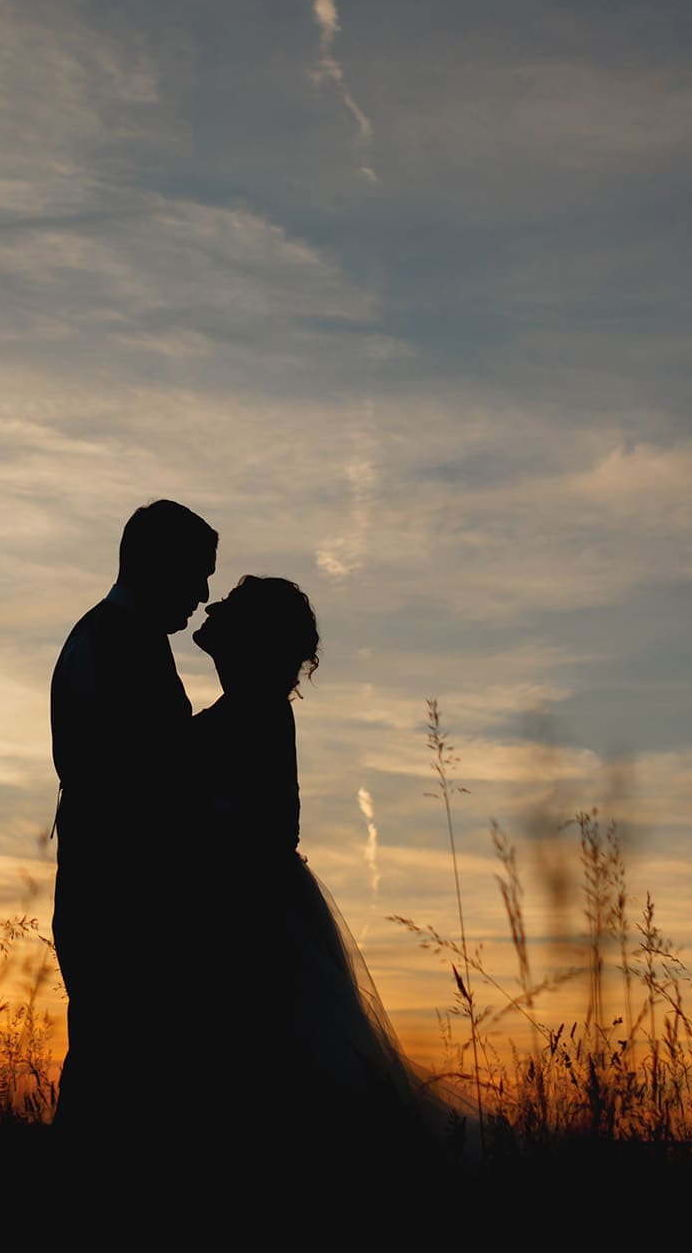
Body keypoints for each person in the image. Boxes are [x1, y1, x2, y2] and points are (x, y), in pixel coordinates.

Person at [191, 575, 453, 1169]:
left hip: (253, 905)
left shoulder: (259, 712)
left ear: (251, 642)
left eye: (229, 613)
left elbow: (276, 824)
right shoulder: (247, 708)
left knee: (270, 1049)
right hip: (246, 896)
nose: (211, 609)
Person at [50, 498, 217, 1134]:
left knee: (119, 1074)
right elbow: (130, 778)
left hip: (113, 891)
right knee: (114, 1077)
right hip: (118, 896)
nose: (203, 595)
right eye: (196, 573)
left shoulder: (121, 639)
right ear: (157, 565)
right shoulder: (114, 644)